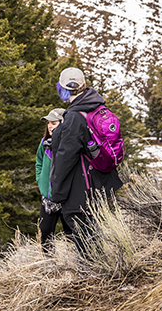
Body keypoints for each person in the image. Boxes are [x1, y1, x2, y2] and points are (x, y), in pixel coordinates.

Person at [48, 67, 123, 259]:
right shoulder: (96, 107)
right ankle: (102, 271)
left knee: (84, 238)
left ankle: (95, 276)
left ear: (62, 89)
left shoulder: (74, 116)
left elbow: (65, 158)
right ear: (84, 85)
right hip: (101, 184)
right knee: (94, 233)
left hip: (81, 190)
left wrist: (55, 194)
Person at [36, 107, 73, 253]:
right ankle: (49, 264)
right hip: (49, 199)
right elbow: (39, 161)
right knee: (45, 232)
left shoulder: (70, 144)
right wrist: (41, 181)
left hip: (67, 198)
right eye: (48, 123)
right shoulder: (44, 142)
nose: (50, 126)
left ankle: (75, 264)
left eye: (54, 123)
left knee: (71, 233)